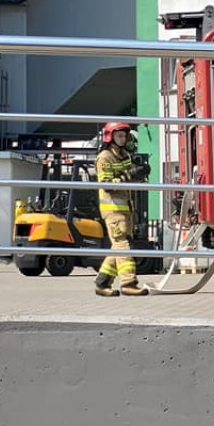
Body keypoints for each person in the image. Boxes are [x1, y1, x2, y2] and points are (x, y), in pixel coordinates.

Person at [94, 122, 151, 297]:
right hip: (112, 209)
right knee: (123, 245)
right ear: (110, 137)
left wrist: (141, 175)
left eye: (124, 136)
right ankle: (128, 283)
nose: (123, 139)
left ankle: (102, 283)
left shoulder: (125, 155)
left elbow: (130, 179)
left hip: (126, 208)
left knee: (118, 246)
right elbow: (106, 185)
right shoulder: (104, 157)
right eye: (119, 136)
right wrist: (130, 174)